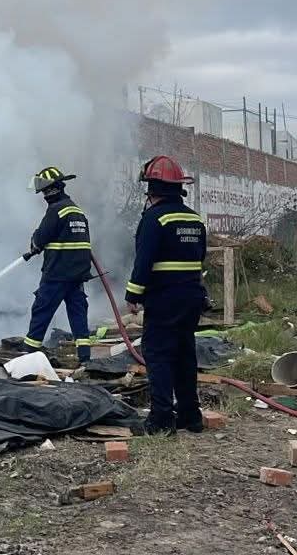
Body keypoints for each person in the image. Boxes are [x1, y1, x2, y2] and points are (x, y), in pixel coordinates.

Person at [125, 155, 208, 434]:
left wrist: (133, 294)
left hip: (164, 297)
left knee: (158, 354)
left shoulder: (154, 218)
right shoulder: (194, 219)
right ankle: (190, 415)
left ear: (152, 188)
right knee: (185, 354)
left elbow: (143, 260)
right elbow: (201, 258)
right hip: (192, 296)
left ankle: (161, 418)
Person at [21, 167, 93, 362]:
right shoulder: (76, 210)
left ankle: (29, 357)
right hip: (78, 275)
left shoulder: (56, 210)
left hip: (57, 274)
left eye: (44, 191)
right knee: (78, 315)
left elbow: (41, 238)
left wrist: (35, 242)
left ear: (50, 190)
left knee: (41, 311)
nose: (43, 195)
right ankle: (85, 359)